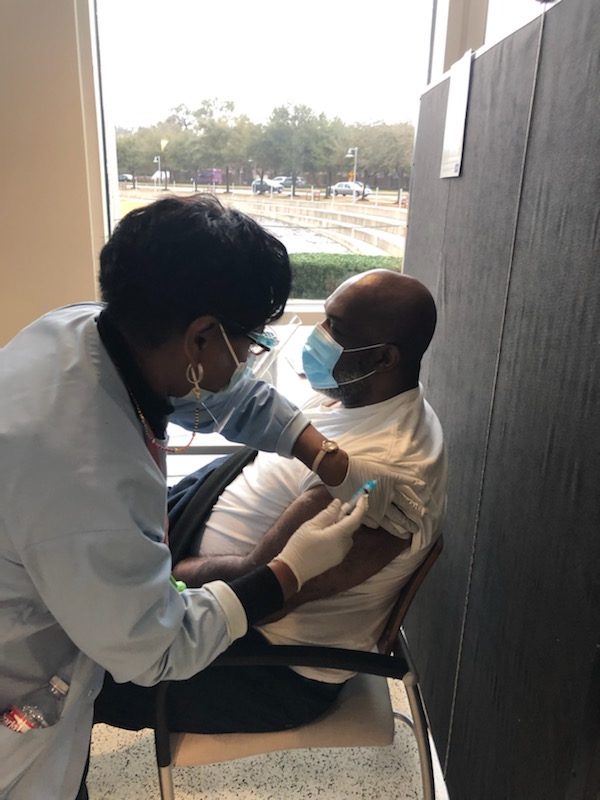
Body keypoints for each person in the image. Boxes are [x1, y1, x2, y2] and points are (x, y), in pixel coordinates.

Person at [0, 196, 403, 799]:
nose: (249, 357)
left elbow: (223, 393)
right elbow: (155, 648)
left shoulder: (91, 330)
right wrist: (288, 572)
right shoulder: (81, 473)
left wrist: (326, 456)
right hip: (23, 682)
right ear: (200, 337)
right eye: (252, 340)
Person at [94, 268, 447, 735]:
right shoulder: (361, 393)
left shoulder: (386, 481)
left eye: (336, 328)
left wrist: (171, 574)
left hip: (260, 659)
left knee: (81, 672)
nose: (320, 336)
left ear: (384, 357)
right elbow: (254, 413)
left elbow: (267, 591)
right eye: (325, 317)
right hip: (190, 533)